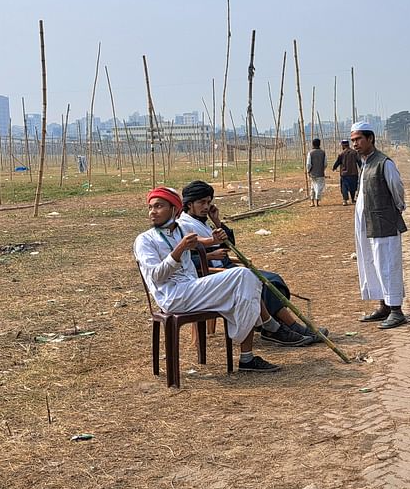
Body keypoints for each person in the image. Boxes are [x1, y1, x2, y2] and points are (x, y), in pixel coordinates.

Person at [134, 187, 310, 373]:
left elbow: (202, 242)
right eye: (151, 207)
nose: (152, 212)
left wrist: (214, 238)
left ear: (174, 210)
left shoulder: (181, 229)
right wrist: (179, 250)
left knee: (245, 288)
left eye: (159, 206)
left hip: (193, 289)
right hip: (173, 296)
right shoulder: (144, 240)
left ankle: (247, 358)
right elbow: (155, 277)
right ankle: (269, 326)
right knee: (243, 276)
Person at [179, 180, 327, 344]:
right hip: (210, 275)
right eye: (201, 202)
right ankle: (289, 327)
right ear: (189, 204)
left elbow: (230, 244)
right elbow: (185, 262)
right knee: (263, 283)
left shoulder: (202, 221)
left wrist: (217, 221)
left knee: (273, 280)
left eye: (208, 202)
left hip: (227, 268)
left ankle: (280, 326)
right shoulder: (183, 225)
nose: (206, 206)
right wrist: (210, 256)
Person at [350, 122, 408, 330]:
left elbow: (397, 189)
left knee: (387, 264)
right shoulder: (365, 163)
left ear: (370, 139)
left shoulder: (384, 163)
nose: (355, 144)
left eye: (358, 139)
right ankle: (383, 305)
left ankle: (396, 310)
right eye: (353, 140)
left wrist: (396, 210)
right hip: (367, 224)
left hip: (384, 222)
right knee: (371, 263)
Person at [331, 139, 361, 205]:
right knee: (353, 187)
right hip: (353, 173)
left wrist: (334, 167)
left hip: (344, 174)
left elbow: (338, 162)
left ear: (343, 145)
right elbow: (359, 162)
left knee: (344, 187)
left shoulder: (341, 154)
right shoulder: (354, 152)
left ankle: (345, 200)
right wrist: (362, 168)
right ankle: (353, 199)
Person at [306, 138, 327, 207]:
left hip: (313, 173)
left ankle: (312, 202)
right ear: (319, 144)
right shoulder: (323, 152)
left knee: (313, 187)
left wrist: (308, 171)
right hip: (320, 173)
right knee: (319, 187)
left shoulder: (310, 153)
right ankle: (317, 202)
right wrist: (322, 169)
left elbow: (308, 164)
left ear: (313, 144)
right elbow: (325, 164)